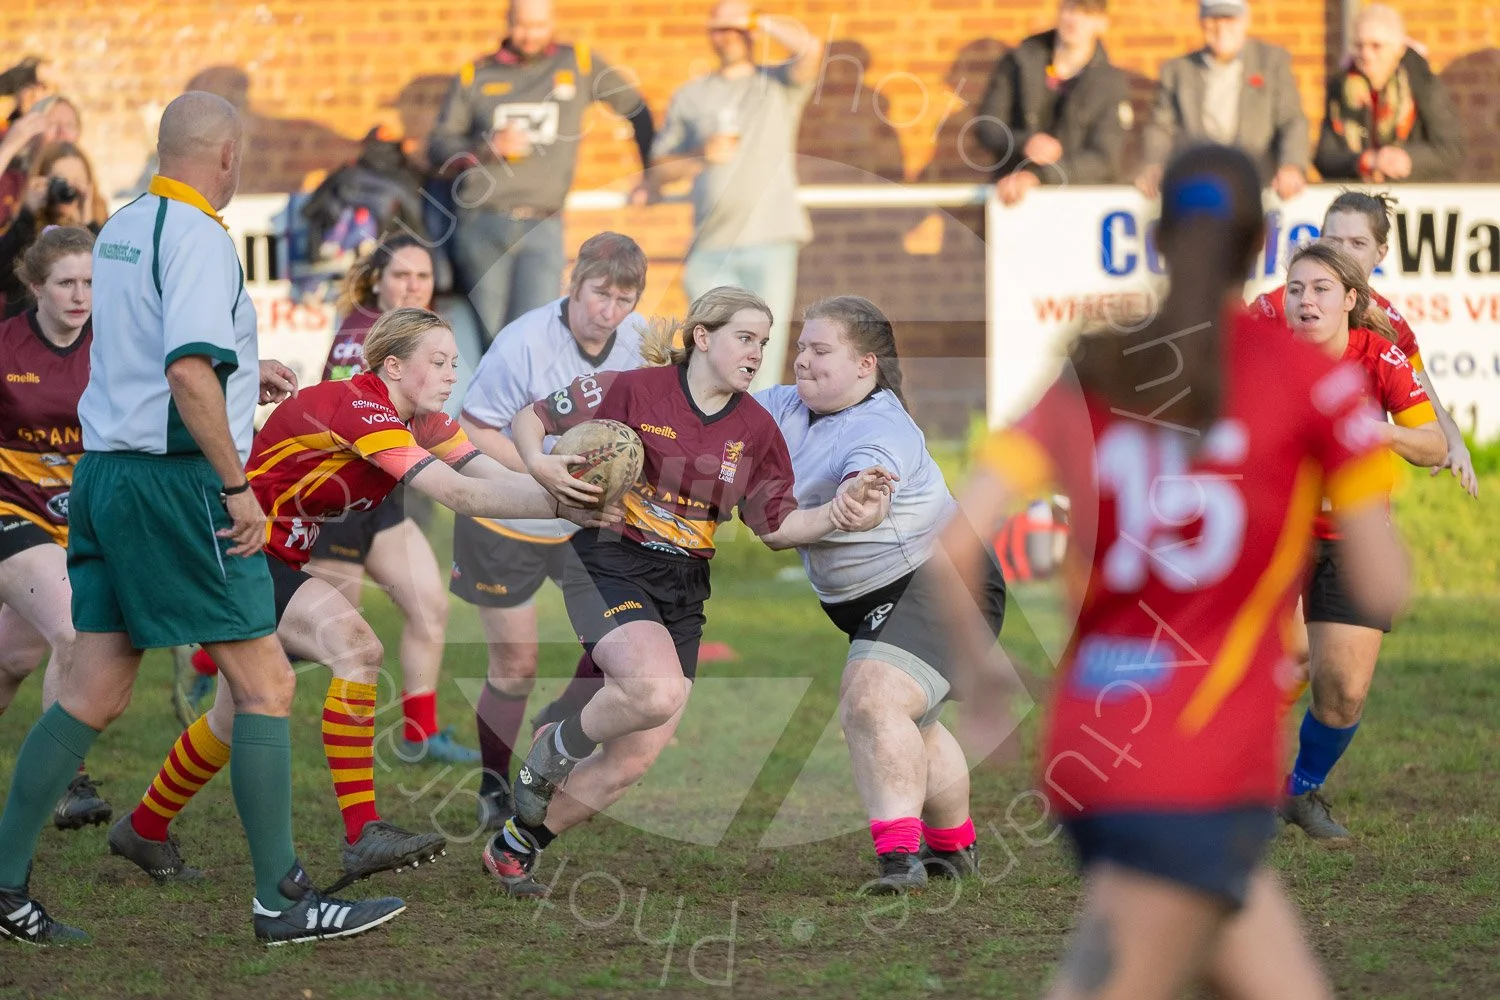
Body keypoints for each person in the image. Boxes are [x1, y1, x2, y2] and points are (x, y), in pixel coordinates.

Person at [941, 144, 1410, 1000]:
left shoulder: (1096, 365)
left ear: (1156, 239)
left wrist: (979, 672)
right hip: (1197, 753)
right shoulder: (1309, 381)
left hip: (1095, 735)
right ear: (1261, 245)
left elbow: (954, 540)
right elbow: (1383, 587)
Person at [0, 91, 407, 946]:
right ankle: (281, 902)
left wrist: (239, 378)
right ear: (226, 155)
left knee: (94, 690)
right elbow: (186, 372)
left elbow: (156, 357)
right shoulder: (197, 236)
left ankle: (4, 887)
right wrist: (235, 485)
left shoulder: (122, 225)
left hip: (106, 475)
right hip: (177, 484)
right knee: (266, 685)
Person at [116, 307, 613, 894]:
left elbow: (489, 477)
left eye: (455, 363)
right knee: (357, 648)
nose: (452, 374)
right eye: (438, 362)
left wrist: (572, 489)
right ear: (393, 366)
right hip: (227, 546)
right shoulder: (361, 407)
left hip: (262, 556)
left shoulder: (423, 420)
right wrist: (566, 505)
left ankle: (143, 829)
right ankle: (361, 833)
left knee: (231, 716)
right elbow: (459, 495)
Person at [479, 286, 891, 897]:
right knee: (656, 690)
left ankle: (515, 846)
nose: (757, 354)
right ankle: (556, 745)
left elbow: (776, 528)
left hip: (684, 588)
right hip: (609, 561)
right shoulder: (633, 388)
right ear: (703, 336)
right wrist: (540, 465)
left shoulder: (757, 429)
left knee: (632, 760)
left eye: (763, 343)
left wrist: (838, 513)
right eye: (744, 338)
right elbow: (531, 418)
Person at [175, 235, 480, 765]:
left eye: (424, 277)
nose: (414, 286)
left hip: (378, 490)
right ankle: (211, 657)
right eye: (402, 275)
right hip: (332, 490)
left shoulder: (424, 342)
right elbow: (359, 428)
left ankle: (419, 734)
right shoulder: (361, 337)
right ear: (377, 282)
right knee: (328, 630)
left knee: (427, 604)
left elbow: (453, 452)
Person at [755, 295, 1007, 894]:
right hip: (878, 597)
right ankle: (954, 848)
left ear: (865, 365)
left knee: (871, 700)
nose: (802, 359)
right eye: (801, 347)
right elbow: (715, 418)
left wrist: (860, 498)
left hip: (944, 583)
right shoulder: (783, 406)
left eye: (821, 350)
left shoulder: (881, 426)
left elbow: (870, 479)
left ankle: (901, 862)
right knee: (911, 723)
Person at [452, 230, 649, 828]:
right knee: (516, 666)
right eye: (599, 294)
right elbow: (474, 428)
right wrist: (544, 477)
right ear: (574, 282)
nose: (608, 312)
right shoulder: (523, 343)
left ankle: (555, 723)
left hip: (588, 518)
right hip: (507, 515)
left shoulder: (640, 343)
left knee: (621, 647)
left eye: (623, 300)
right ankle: (493, 788)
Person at [1276, 239, 1445, 841]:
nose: (1306, 301)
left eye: (1321, 289)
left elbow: (1434, 446)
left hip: (1354, 539)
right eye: (1296, 289)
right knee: (1267, 665)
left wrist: (1380, 433)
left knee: (1343, 692)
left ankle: (1299, 792)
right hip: (1277, 536)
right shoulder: (1265, 357)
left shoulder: (1379, 357)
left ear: (1351, 299)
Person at [428, 0, 656, 341]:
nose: (530, 34)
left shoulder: (578, 63)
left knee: (536, 337)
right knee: (486, 339)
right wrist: (486, 148)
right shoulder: (476, 74)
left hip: (544, 224)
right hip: (482, 223)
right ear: (508, 22)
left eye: (539, 25)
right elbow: (438, 147)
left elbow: (636, 108)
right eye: (521, 25)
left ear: (552, 23)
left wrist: (650, 173)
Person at [0, 227, 114, 832]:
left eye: (90, 282)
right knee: (74, 629)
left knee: (13, 658)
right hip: (11, 511)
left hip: (81, 522)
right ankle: (68, 784)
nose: (80, 296)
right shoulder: (6, 347)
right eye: (66, 282)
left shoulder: (115, 343)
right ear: (35, 285)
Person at [648, 0, 824, 391]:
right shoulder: (691, 95)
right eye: (720, 27)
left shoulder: (777, 84)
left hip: (771, 239)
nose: (728, 35)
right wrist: (700, 154)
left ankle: (758, 430)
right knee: (711, 359)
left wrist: (758, 20)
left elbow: (810, 50)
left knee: (762, 360)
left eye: (736, 27)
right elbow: (660, 168)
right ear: (709, 33)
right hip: (711, 246)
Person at [1253, 190, 1477, 497]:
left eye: (1357, 243)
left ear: (1380, 254)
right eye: (1334, 241)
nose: (1344, 252)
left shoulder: (1387, 329)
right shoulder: (1282, 304)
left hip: (1356, 499)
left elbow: (1429, 407)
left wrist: (1456, 444)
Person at [1137, 0, 1308, 200]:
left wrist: (1291, 165)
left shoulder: (1271, 62)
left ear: (1245, 20)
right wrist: (1155, 163)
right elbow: (1161, 126)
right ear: (1201, 21)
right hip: (1196, 186)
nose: (1221, 27)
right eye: (1214, 18)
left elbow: (1291, 120)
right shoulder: (1177, 71)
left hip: (1257, 186)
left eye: (1229, 18)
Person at [975, 0, 1128, 207]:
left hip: (1078, 203)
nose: (1075, 20)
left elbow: (1104, 160)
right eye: (1070, 9)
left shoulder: (1110, 83)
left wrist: (1041, 177)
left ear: (1102, 23)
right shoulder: (1019, 62)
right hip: (1013, 199)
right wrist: (1024, 142)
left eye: (1087, 13)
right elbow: (987, 126)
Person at [1313, 4, 1465, 183]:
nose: (1366, 55)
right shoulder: (1342, 87)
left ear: (1398, 50)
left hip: (1414, 193)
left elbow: (1451, 150)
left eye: (1376, 46)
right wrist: (1367, 161)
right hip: (1360, 193)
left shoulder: (1422, 84)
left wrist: (1407, 159)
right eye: (1359, 46)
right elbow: (1325, 158)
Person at [0, 141, 108, 317]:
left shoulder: (103, 228)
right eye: (61, 181)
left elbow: (108, 280)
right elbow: (3, 274)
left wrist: (89, 224)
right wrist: (27, 215)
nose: (68, 189)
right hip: (30, 330)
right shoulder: (26, 229)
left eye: (77, 182)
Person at [0, 95, 82, 230]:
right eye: (52, 125)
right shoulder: (13, 182)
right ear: (32, 133)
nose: (62, 133)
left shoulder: (83, 184)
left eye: (70, 125)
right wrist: (10, 146)